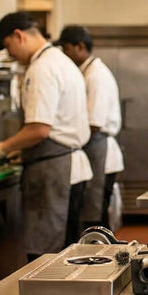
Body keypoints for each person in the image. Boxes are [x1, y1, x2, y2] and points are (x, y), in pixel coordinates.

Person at [0, 12, 92, 260]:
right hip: (69, 169)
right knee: (68, 256)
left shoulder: (41, 68)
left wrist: (1, 148)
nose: (10, 54)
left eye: (9, 46)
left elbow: (39, 129)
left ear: (19, 36)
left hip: (54, 173)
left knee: (46, 258)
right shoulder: (62, 62)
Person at [55, 25, 125, 230]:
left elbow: (94, 123)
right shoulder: (85, 72)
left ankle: (103, 258)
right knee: (90, 214)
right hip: (94, 147)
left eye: (66, 48)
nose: (64, 54)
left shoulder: (96, 75)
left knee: (95, 217)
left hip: (99, 148)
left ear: (79, 47)